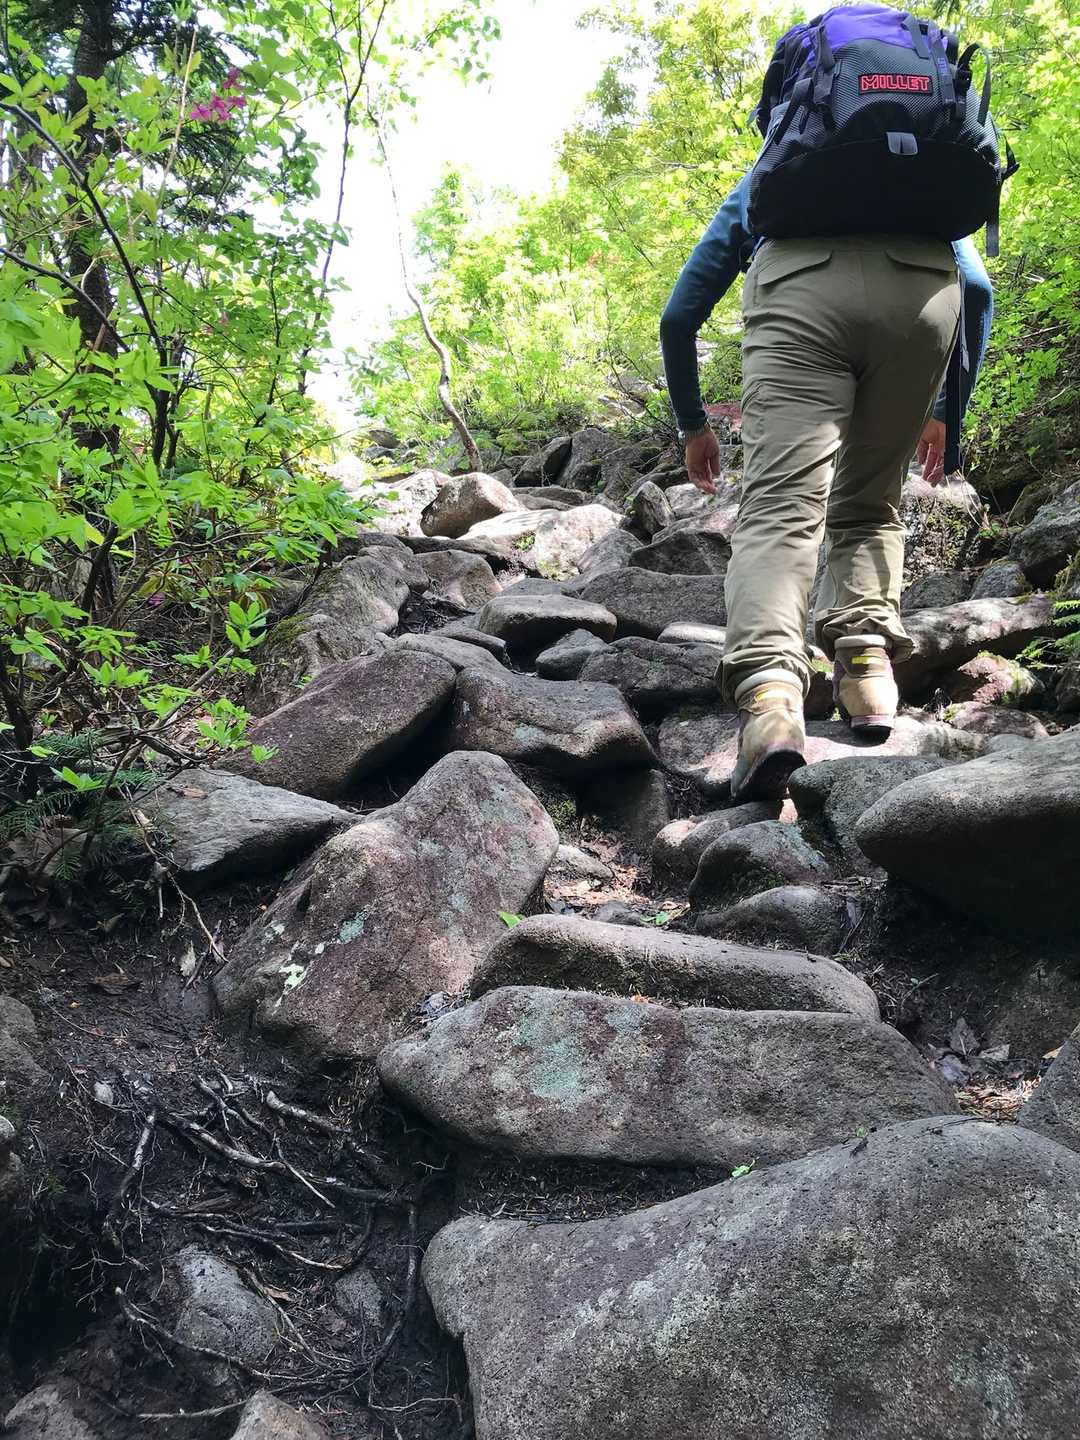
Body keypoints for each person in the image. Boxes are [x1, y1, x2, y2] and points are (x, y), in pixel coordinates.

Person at [660, 169, 993, 801]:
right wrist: (949, 410)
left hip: (798, 294)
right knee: (871, 500)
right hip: (922, 299)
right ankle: (867, 670)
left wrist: (692, 422)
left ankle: (770, 699)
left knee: (780, 508)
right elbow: (976, 287)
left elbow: (680, 315)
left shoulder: (776, 170)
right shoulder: (916, 172)